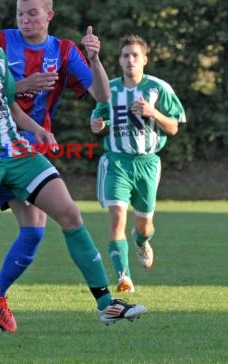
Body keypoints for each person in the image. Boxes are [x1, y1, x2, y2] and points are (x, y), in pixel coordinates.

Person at [0, 1, 146, 333]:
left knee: (69, 213)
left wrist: (38, 130)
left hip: (15, 151)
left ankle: (106, 305)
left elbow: (7, 105)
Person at [91, 34, 186, 293]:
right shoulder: (108, 89)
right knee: (117, 217)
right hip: (116, 163)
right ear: (119, 61)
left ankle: (141, 240)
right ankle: (124, 277)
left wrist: (152, 112)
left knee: (144, 225)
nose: (130, 60)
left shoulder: (159, 88)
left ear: (144, 59)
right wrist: (97, 125)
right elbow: (98, 120)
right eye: (125, 56)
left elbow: (174, 127)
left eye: (135, 55)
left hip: (147, 163)